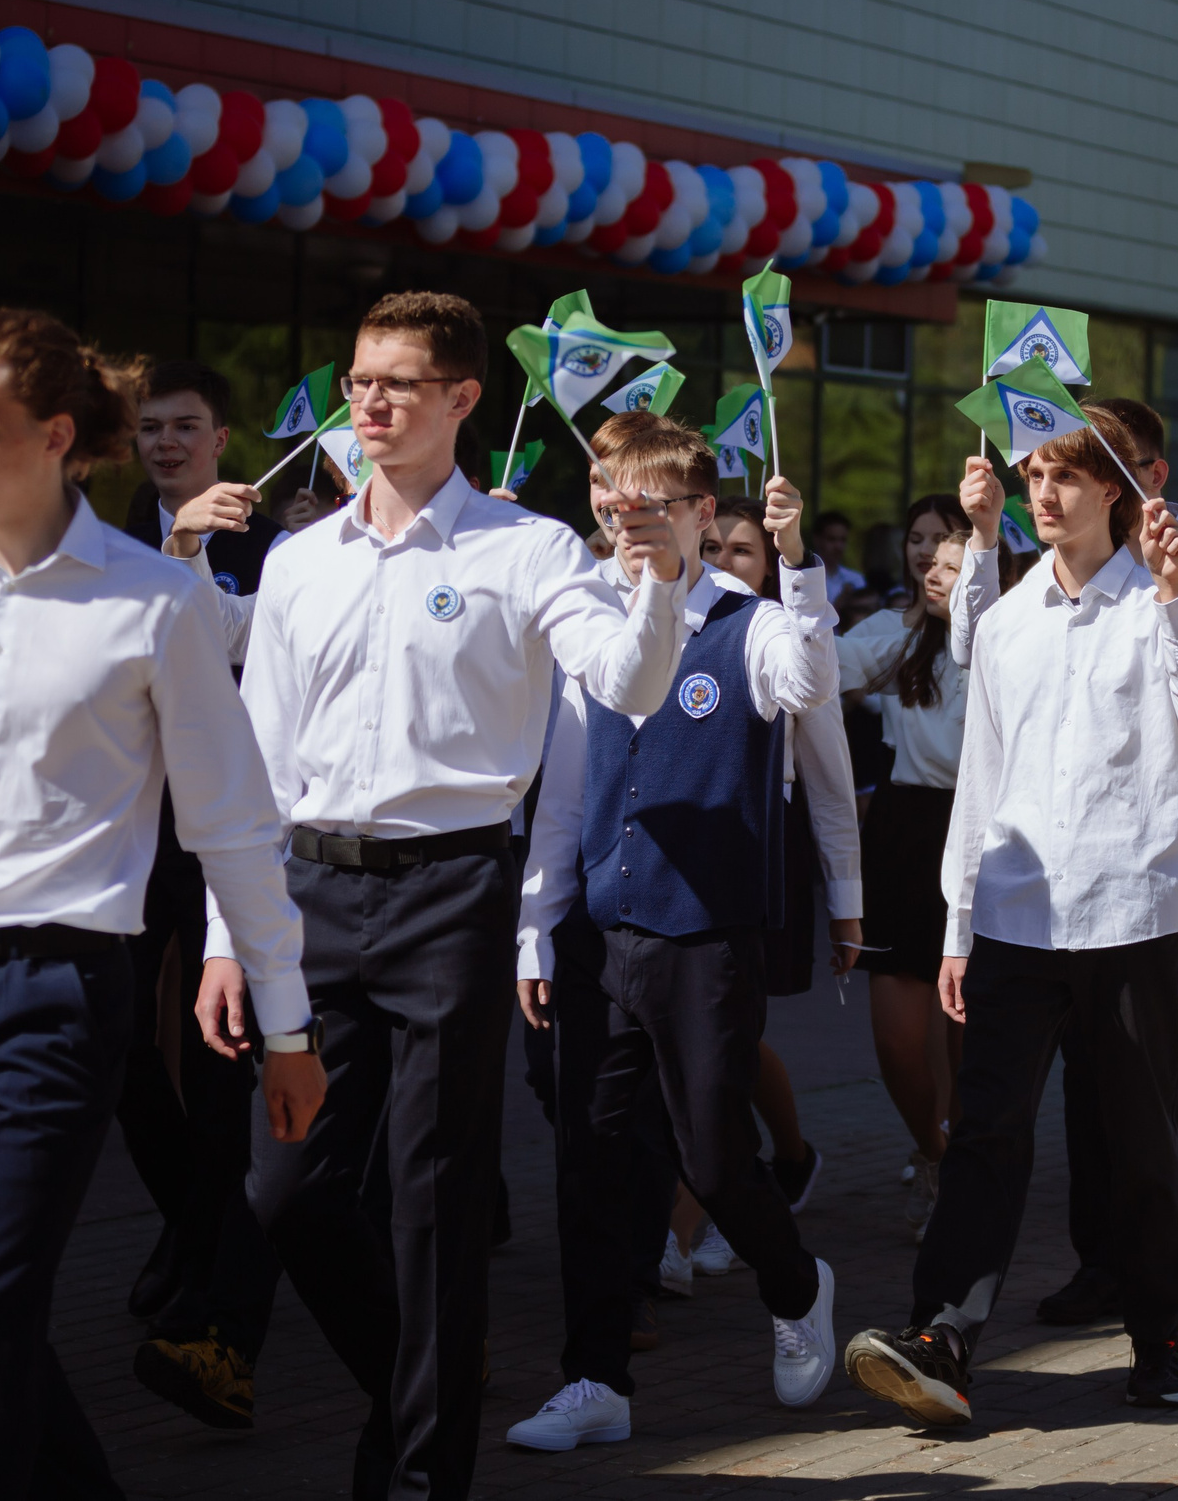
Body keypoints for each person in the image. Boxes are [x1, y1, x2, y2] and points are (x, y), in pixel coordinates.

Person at [228, 291, 694, 1501]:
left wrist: (657, 580)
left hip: (452, 892)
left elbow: (630, 686)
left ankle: (423, 1469)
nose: (369, 404)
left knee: (434, 1199)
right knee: (286, 1193)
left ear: (462, 400)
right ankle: (419, 1379)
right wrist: (235, 935)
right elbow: (261, 760)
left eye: (397, 383)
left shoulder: (527, 549)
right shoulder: (296, 561)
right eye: (358, 380)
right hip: (306, 895)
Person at [0, 310, 322, 1499]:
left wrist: (285, 1026)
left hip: (57, 999)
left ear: (57, 435)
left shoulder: (153, 599)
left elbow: (232, 821)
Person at [840, 418, 1178, 1426]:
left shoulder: (1159, 602)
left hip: (1132, 910)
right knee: (985, 1133)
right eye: (1034, 477)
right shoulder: (1005, 617)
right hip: (1017, 912)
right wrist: (959, 922)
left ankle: (1158, 1334)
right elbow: (985, 774)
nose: (1044, 495)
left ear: (1114, 491)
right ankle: (943, 1336)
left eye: (1064, 477)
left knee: (1141, 1146)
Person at [504, 413, 840, 1451]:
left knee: (708, 1155)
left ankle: (796, 1288)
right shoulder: (586, 621)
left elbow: (808, 685)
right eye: (610, 500)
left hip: (705, 934)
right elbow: (563, 788)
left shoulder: (750, 620)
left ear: (700, 513)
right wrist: (536, 921)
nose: (624, 519)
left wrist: (801, 573)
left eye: (648, 504)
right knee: (593, 1160)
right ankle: (594, 1378)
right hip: (599, 927)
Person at [962, 398, 1178, 1327]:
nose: (1049, 490)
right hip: (1053, 882)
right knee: (1072, 1083)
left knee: (1162, 1069)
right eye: (1039, 473)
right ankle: (1094, 1262)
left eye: (1131, 466)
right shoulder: (1034, 602)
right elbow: (991, 715)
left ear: (1145, 475)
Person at [115, 357, 294, 1429]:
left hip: (229, 826)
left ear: (223, 438)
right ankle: (194, 1221)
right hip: (132, 828)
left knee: (223, 1053)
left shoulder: (276, 537)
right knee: (115, 1050)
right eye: (150, 428)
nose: (167, 445)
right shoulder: (121, 527)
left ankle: (212, 1282)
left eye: (185, 426)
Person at [839, 505, 972, 1237]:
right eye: (918, 543)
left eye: (948, 548)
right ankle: (934, 1149)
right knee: (896, 1034)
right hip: (906, 829)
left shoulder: (1006, 633)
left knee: (966, 1028)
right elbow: (814, 673)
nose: (931, 561)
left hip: (984, 831)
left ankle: (966, 1169)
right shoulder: (893, 632)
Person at [814, 508, 866, 602]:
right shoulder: (805, 578)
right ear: (817, 540)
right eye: (831, 539)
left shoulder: (855, 579)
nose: (838, 546)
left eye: (843, 540)